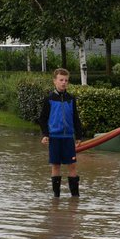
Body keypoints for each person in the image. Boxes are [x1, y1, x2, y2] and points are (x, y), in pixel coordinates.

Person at [38, 68, 84, 197]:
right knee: (56, 166)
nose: (63, 83)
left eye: (66, 80)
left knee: (72, 166)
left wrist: (79, 136)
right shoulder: (49, 99)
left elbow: (76, 118)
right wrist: (45, 134)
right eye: (61, 80)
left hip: (68, 138)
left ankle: (75, 197)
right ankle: (56, 197)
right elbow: (42, 119)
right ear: (55, 81)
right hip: (54, 137)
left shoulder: (71, 99)